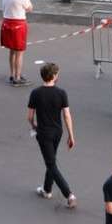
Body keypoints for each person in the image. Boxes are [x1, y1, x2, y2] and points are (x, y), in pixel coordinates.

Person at [28, 63, 77, 208]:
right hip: (57, 132)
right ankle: (47, 189)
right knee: (52, 160)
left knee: (51, 164)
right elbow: (67, 115)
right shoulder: (61, 93)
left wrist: (33, 126)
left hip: (44, 133)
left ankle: (69, 194)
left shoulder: (36, 93)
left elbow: (30, 116)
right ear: (54, 76)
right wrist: (71, 135)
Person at [1, 0, 33, 86]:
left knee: (12, 50)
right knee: (19, 52)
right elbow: (30, 8)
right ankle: (17, 77)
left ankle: (12, 74)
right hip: (18, 24)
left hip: (7, 22)